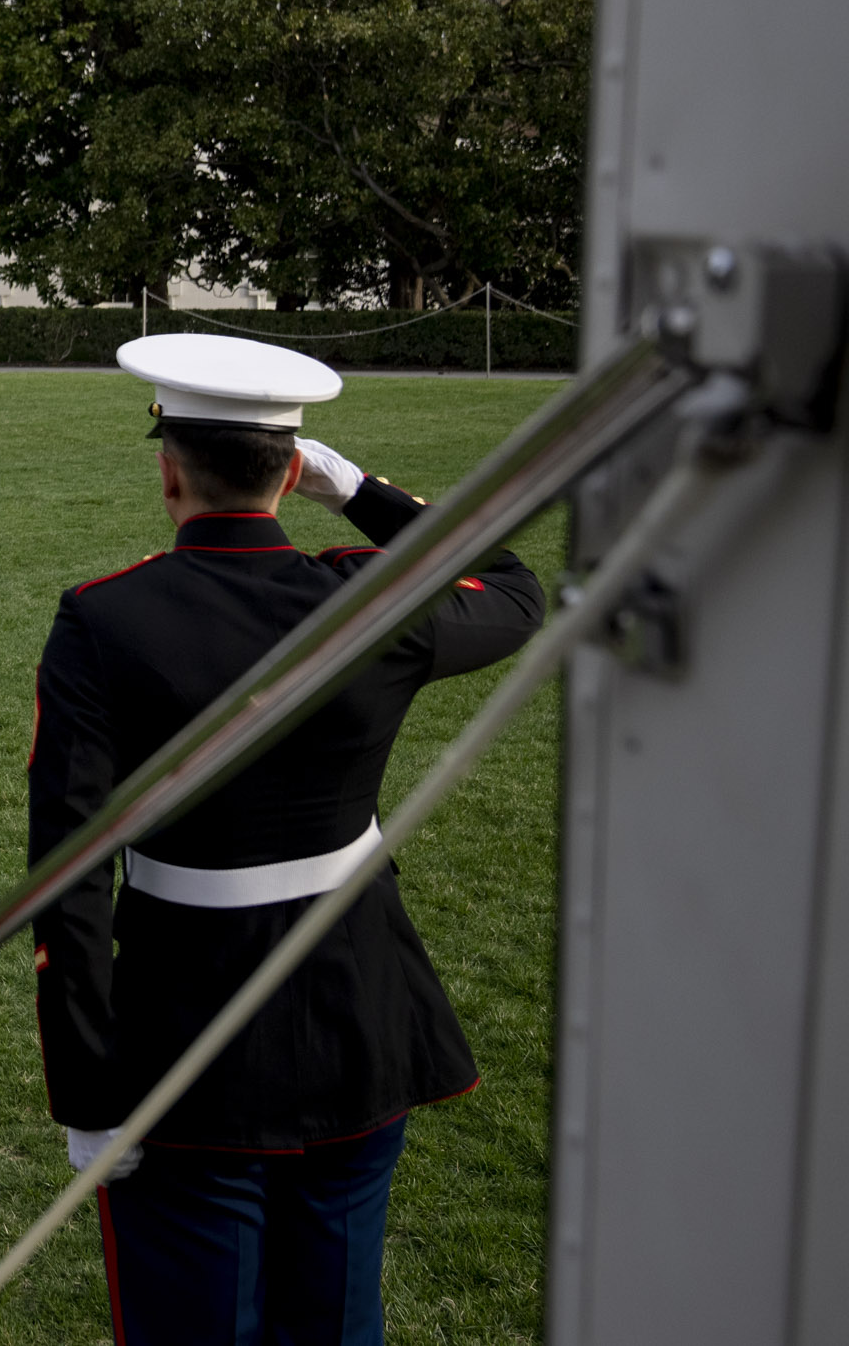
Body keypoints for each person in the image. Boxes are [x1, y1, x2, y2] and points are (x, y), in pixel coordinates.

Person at [29, 333, 546, 1346]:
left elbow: (71, 871)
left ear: (169, 466)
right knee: (336, 1321)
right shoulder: (371, 601)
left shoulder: (107, 619)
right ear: (288, 466)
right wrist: (350, 488)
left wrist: (89, 1089)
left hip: (189, 1031)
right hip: (361, 1010)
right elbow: (515, 584)